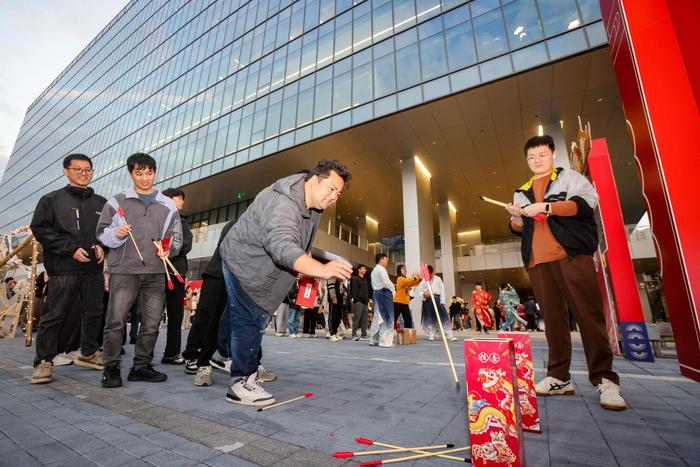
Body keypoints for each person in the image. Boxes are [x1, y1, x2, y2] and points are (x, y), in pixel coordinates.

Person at [506, 134, 626, 411]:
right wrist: (515, 216)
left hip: (571, 256)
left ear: (552, 155)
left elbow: (585, 206)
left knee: (588, 316)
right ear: (527, 160)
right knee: (554, 323)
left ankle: (606, 379)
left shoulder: (570, 178)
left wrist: (547, 207)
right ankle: (559, 377)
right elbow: (519, 229)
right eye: (532, 157)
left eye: (542, 155)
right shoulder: (520, 190)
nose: (537, 160)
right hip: (538, 262)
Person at [219, 160, 352, 406]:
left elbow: (301, 243)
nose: (335, 197)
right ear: (314, 179)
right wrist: (322, 270)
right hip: (244, 262)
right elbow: (283, 246)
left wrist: (310, 261)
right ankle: (241, 383)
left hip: (258, 265)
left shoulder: (314, 206)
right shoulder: (284, 203)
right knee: (251, 318)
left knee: (239, 313)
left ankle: (222, 352)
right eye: (332, 188)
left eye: (339, 193)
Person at [96, 153, 182, 388]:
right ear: (131, 173)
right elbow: (102, 232)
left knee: (152, 323)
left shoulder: (167, 204)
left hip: (155, 272)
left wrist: (168, 249)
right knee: (115, 321)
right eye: (139, 173)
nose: (145, 178)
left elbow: (175, 238)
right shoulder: (117, 202)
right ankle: (111, 367)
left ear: (155, 172)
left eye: (149, 173)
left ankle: (141, 366)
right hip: (123, 271)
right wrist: (117, 234)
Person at [30, 154, 107, 384]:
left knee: (93, 312)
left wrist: (103, 245)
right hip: (63, 268)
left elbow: (109, 231)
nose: (83, 174)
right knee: (55, 314)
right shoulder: (51, 200)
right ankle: (43, 361)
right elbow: (40, 229)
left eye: (88, 170)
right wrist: (69, 248)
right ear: (66, 171)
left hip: (93, 268)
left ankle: (88, 352)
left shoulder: (101, 202)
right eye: (78, 169)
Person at [160, 188, 193, 365]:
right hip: (157, 271)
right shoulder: (156, 220)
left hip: (176, 272)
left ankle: (171, 353)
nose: (182, 201)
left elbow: (186, 244)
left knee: (175, 315)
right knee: (151, 316)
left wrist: (169, 251)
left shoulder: (182, 222)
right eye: (178, 198)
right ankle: (144, 356)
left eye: (182, 198)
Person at [417, 265, 457, 342]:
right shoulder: (423, 281)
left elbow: (442, 290)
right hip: (427, 301)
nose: (426, 275)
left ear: (431, 273)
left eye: (428, 274)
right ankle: (431, 334)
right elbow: (420, 292)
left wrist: (442, 301)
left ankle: (449, 335)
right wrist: (424, 294)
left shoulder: (437, 279)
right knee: (429, 318)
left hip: (437, 300)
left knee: (443, 318)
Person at [369, 253, 396, 348]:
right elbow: (386, 282)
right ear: (381, 260)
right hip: (384, 293)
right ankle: (385, 341)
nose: (387, 261)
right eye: (386, 259)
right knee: (387, 316)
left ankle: (374, 339)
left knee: (377, 316)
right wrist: (393, 290)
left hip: (376, 293)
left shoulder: (374, 270)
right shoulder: (381, 269)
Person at [394, 265, 419, 329]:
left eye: (405, 268)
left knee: (408, 320)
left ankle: (408, 335)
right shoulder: (400, 279)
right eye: (403, 268)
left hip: (405, 303)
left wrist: (419, 279)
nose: (405, 270)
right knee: (393, 319)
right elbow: (408, 280)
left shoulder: (405, 279)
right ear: (399, 270)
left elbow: (412, 283)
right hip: (397, 302)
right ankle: (387, 333)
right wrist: (415, 277)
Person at [350, 264, 370, 341]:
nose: (365, 270)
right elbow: (354, 291)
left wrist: (367, 299)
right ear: (359, 269)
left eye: (365, 268)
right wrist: (357, 299)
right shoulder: (355, 278)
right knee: (356, 319)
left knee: (364, 319)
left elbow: (366, 291)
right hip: (358, 302)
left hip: (365, 302)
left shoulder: (365, 279)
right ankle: (354, 335)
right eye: (363, 268)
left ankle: (363, 334)